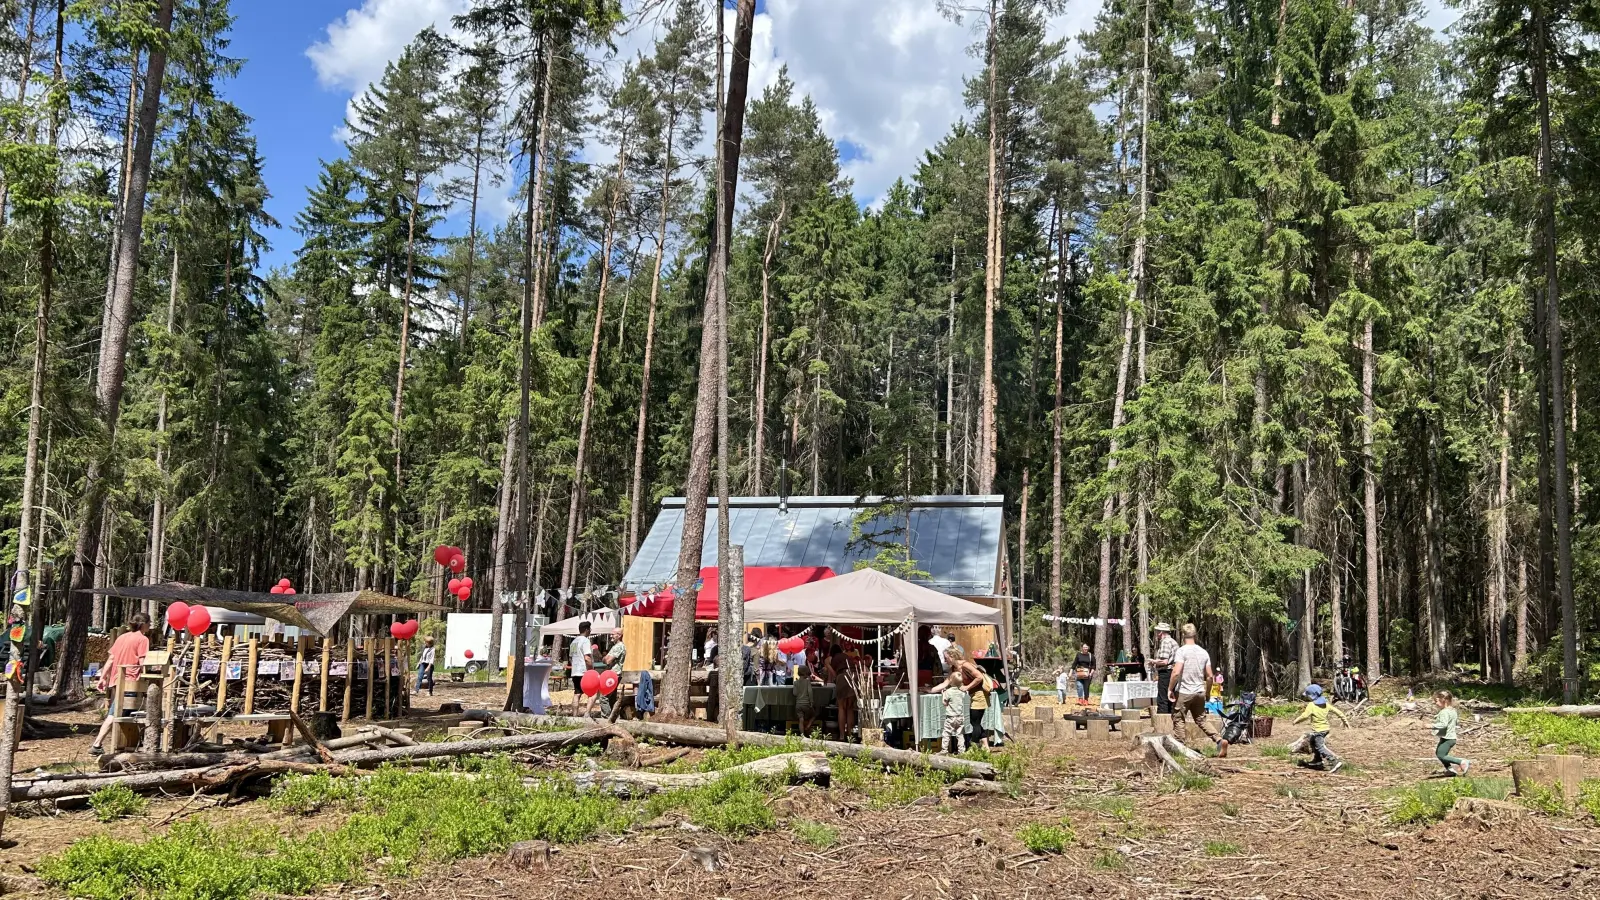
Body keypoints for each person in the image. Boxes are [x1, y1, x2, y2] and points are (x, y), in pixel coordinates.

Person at [90, 612, 152, 757]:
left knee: (128, 713)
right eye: (149, 624)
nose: (149, 626)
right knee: (115, 713)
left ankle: (129, 744)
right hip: (131, 682)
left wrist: (103, 677)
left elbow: (111, 659)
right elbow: (143, 663)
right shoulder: (142, 640)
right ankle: (97, 744)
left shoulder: (122, 637)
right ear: (143, 624)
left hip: (117, 680)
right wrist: (148, 674)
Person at [1166, 623, 1228, 757]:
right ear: (1195, 635)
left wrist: (1170, 689)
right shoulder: (1203, 652)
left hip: (1184, 691)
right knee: (1201, 719)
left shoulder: (1182, 651)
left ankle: (1180, 748)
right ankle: (1219, 740)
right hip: (1199, 691)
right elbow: (1210, 676)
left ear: (1183, 635)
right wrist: (1207, 693)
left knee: (1179, 719)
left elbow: (1176, 672)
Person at [1291, 683, 1349, 773]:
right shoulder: (1326, 704)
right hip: (1325, 729)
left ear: (1311, 696)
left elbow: (1305, 716)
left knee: (1320, 747)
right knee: (1313, 742)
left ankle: (1334, 761)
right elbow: (1339, 712)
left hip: (1318, 730)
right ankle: (1317, 760)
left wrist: (1296, 721)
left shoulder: (1311, 705)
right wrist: (1345, 722)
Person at [584, 629, 627, 717]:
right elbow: (606, 659)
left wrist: (605, 658)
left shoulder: (619, 646)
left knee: (604, 697)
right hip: (612, 674)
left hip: (613, 675)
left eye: (612, 634)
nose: (611, 636)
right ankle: (614, 717)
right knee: (611, 698)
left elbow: (607, 660)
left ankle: (606, 717)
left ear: (619, 635)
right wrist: (605, 658)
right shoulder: (616, 646)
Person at [1432, 690, 1470, 776]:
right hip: (1450, 736)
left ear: (1444, 700)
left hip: (1447, 738)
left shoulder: (1444, 712)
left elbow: (1443, 724)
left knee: (1441, 755)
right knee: (1439, 753)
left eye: (1436, 701)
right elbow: (1455, 722)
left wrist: (1431, 725)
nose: (1435, 703)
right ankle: (1450, 770)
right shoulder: (1452, 710)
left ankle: (1462, 762)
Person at [934, 669, 967, 754]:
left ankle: (944, 749)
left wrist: (943, 694)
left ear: (951, 681)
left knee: (946, 733)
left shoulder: (948, 692)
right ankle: (961, 750)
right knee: (960, 734)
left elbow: (945, 703)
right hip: (960, 716)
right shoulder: (961, 692)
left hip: (950, 717)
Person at [1151, 622, 1178, 715]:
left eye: (1157, 631)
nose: (1156, 633)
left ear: (1160, 632)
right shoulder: (1172, 641)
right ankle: (1170, 722)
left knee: (1163, 699)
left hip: (1166, 672)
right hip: (1172, 672)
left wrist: (1153, 661)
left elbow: (1165, 661)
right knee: (1170, 697)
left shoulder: (1165, 642)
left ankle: (1162, 724)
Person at [569, 621, 594, 715]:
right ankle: (587, 714)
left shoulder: (573, 642)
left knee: (577, 693)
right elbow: (587, 657)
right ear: (587, 630)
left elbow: (570, 658)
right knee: (593, 693)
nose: (591, 631)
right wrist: (592, 671)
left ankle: (574, 715)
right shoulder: (585, 641)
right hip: (585, 671)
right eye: (590, 629)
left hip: (575, 671)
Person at [794, 664, 818, 735]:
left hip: (798, 704)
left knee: (801, 719)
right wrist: (811, 701)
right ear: (806, 673)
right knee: (814, 715)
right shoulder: (807, 682)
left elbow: (794, 693)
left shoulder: (795, 682)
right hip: (806, 703)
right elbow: (810, 692)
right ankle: (808, 726)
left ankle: (802, 735)